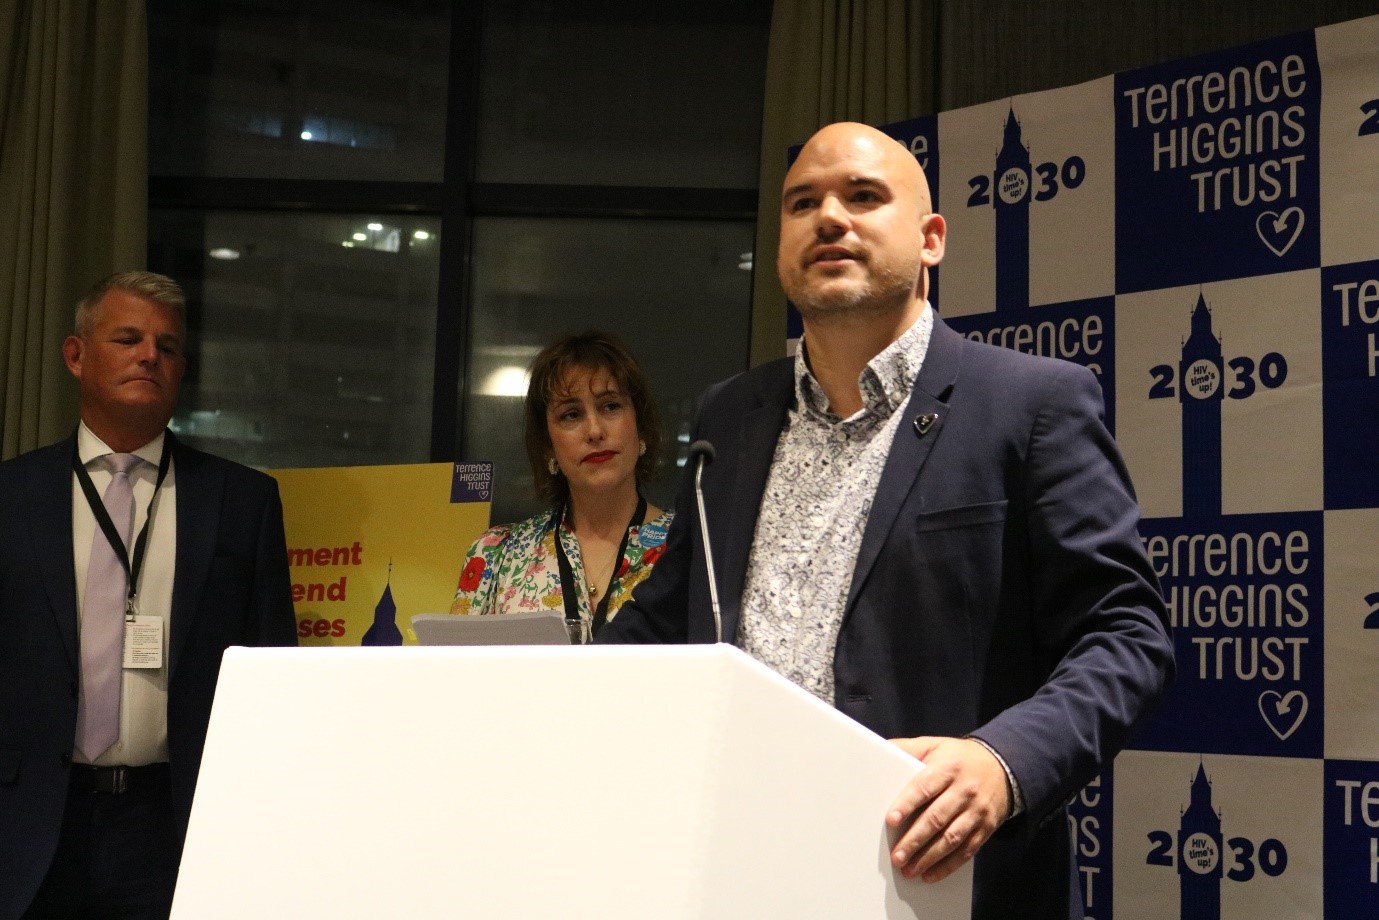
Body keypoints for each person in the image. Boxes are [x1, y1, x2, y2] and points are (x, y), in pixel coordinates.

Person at [597, 122, 1174, 920]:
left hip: (934, 882)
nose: (829, 217)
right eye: (802, 203)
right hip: (737, 869)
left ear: (931, 238)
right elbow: (660, 631)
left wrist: (1003, 763)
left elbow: (1126, 634)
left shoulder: (1031, 403)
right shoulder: (728, 416)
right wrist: (534, 689)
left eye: (863, 196)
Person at [0, 271, 297, 919]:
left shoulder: (241, 501)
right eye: (128, 339)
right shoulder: (10, 496)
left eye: (166, 346)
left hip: (173, 819)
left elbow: (275, 673)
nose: (148, 357)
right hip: (27, 819)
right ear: (76, 356)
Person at [450, 331, 673, 643]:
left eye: (610, 406)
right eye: (571, 414)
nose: (595, 430)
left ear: (641, 427)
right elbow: (458, 681)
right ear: (548, 447)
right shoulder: (495, 556)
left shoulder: (687, 551)